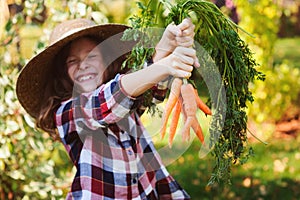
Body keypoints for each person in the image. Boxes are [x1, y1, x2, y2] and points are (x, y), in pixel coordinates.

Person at [16, 18, 199, 199]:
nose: (83, 64)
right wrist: (163, 66)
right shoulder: (67, 113)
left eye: (92, 56)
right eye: (72, 61)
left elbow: (148, 89)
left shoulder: (126, 101)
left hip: (146, 192)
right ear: (63, 73)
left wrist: (165, 46)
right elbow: (106, 101)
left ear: (107, 61)